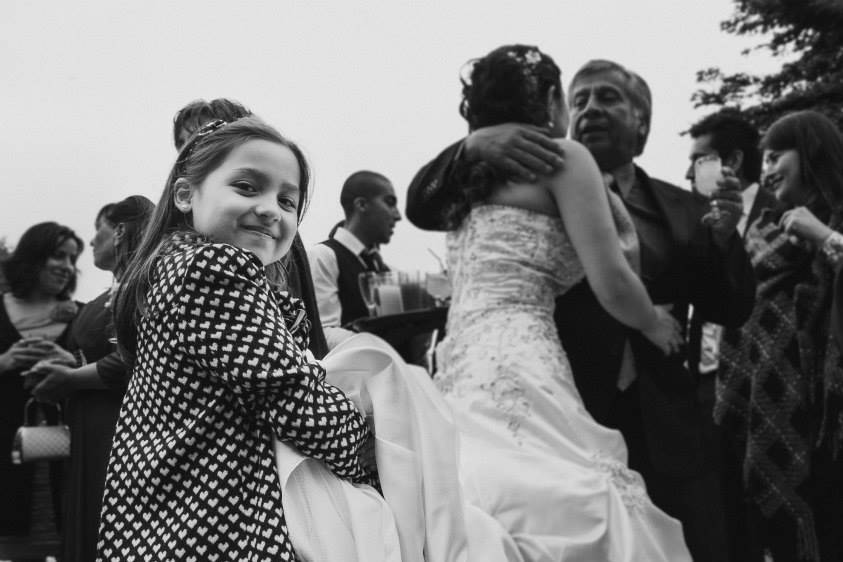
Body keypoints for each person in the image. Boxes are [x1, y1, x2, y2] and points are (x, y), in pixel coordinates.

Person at [406, 57, 756, 562]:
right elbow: (421, 204)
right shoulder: (523, 170)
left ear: (642, 122)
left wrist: (724, 241)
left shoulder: (687, 208)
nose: (590, 107)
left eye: (608, 97)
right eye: (580, 98)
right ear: (558, 109)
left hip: (664, 421)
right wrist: (471, 144)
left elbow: (731, 306)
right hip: (551, 407)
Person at [97, 117, 376, 561]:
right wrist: (370, 444)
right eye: (247, 187)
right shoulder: (213, 269)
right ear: (186, 194)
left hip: (176, 520)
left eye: (287, 200)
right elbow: (294, 398)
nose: (270, 209)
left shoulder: (174, 268)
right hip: (221, 523)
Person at [716, 110, 843, 562]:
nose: (767, 168)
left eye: (775, 156)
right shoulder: (761, 236)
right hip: (772, 420)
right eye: (763, 159)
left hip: (831, 423)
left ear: (809, 153)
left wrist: (825, 237)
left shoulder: (829, 224)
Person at [25, 196, 153, 562]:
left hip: (118, 425)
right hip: (88, 421)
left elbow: (133, 359)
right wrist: (65, 362)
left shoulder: (145, 283)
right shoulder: (107, 294)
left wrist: (71, 378)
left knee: (107, 517)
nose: (92, 241)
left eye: (99, 229)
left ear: (121, 230)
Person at [173, 98, 329, 359]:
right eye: (184, 146)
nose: (191, 153)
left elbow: (304, 329)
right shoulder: (187, 260)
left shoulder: (270, 236)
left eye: (204, 139)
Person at [0, 222, 83, 561]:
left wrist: (73, 365)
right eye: (57, 255)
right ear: (32, 258)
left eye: (72, 259)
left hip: (64, 460)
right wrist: (4, 362)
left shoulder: (82, 315)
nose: (67, 266)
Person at [309, 170, 402, 348]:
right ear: (361, 205)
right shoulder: (324, 255)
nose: (397, 216)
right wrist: (382, 350)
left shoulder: (387, 271)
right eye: (390, 203)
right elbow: (323, 332)